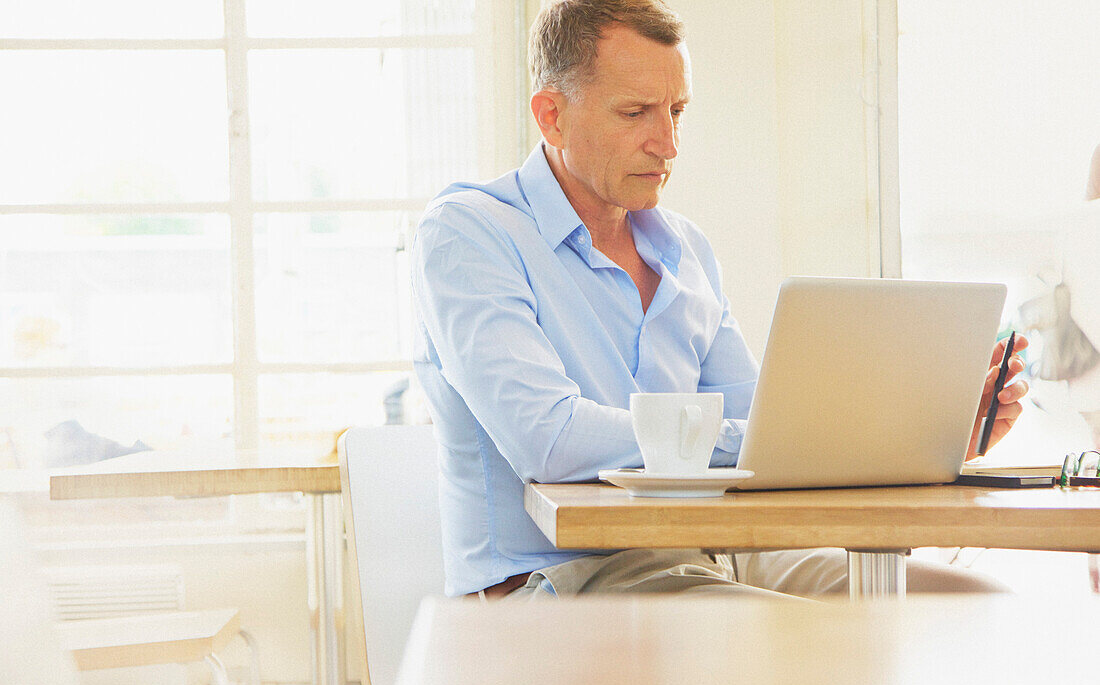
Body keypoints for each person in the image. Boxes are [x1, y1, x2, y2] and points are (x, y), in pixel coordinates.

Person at [412, 0, 1028, 601]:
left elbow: (769, 440)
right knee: (799, 644)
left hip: (715, 553)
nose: (668, 143)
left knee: (973, 603)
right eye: (635, 113)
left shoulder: (684, 249)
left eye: (676, 111)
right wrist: (755, 446)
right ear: (551, 116)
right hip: (563, 582)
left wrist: (926, 436)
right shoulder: (471, 234)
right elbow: (549, 439)